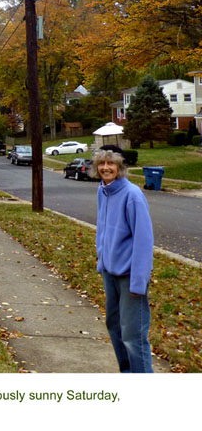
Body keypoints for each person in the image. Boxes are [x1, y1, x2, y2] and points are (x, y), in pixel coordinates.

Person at [91, 144, 155, 373]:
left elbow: (144, 241)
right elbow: (102, 229)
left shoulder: (132, 195)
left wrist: (139, 281)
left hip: (129, 276)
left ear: (120, 166)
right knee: (115, 327)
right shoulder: (103, 190)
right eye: (101, 162)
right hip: (110, 271)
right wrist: (102, 259)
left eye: (111, 163)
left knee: (133, 335)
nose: (105, 167)